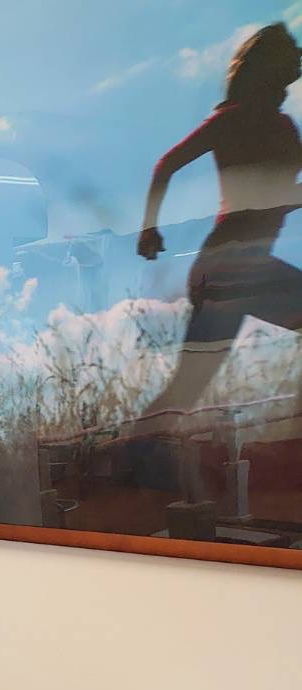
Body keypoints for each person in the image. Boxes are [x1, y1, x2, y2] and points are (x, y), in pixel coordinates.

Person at [137, 22, 302, 418]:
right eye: (290, 54)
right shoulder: (237, 120)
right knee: (187, 387)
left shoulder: (280, 126)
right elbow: (166, 165)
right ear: (270, 66)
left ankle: (132, 449)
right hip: (233, 264)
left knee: (186, 389)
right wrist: (148, 228)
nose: (297, 60)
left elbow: (279, 197)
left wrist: (150, 228)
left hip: (226, 269)